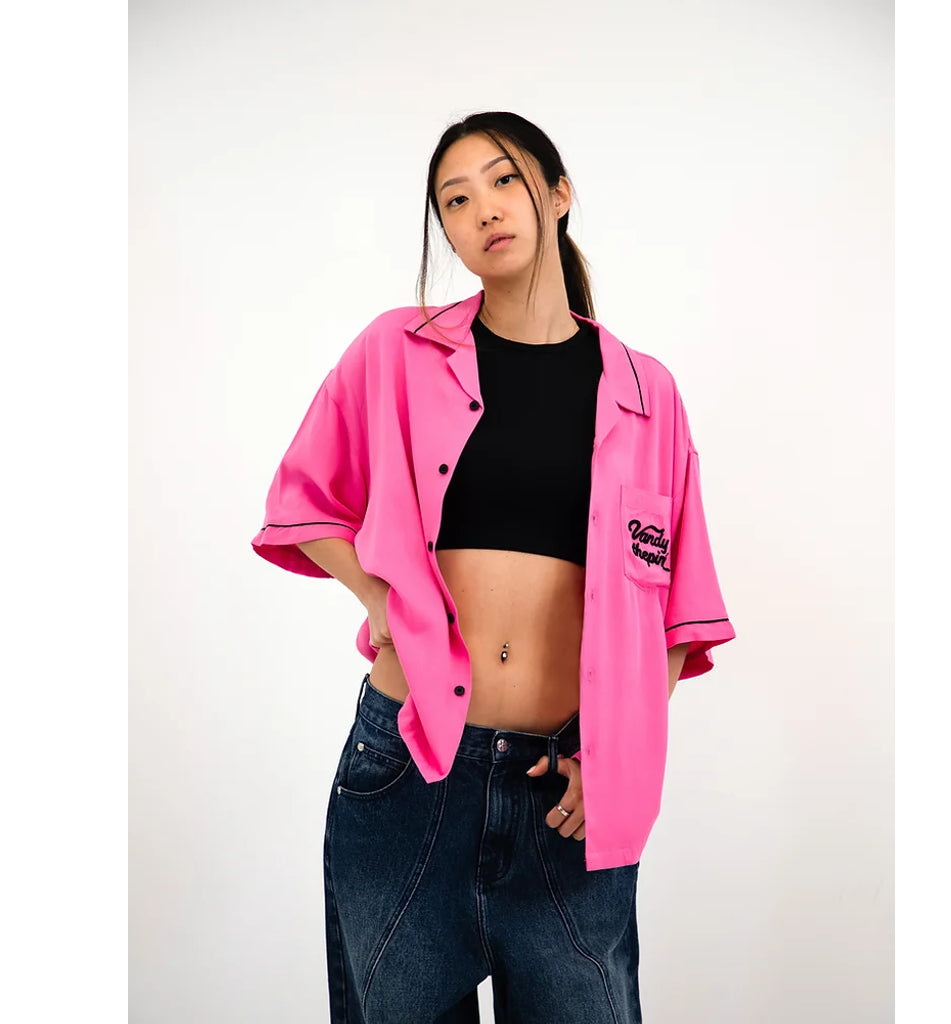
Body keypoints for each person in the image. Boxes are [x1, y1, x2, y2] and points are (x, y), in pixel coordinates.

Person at [250, 110, 736, 1024]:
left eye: (505, 180)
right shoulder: (397, 352)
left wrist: (611, 756)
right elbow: (302, 501)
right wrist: (375, 596)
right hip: (408, 772)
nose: (484, 209)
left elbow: (680, 612)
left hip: (565, 793)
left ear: (558, 194)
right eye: (455, 200)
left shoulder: (647, 394)